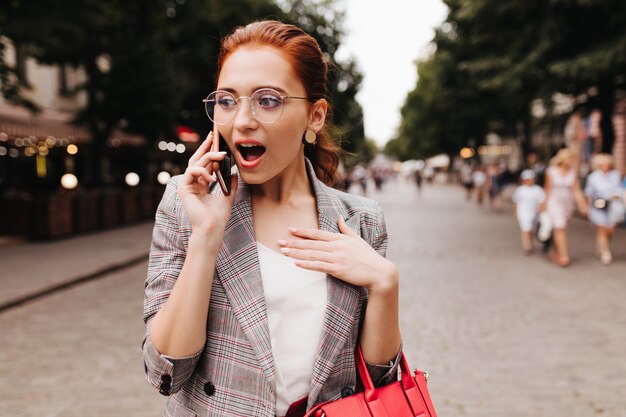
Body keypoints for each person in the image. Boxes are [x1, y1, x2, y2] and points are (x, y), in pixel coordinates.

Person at [142, 21, 402, 417]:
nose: (242, 120)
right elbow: (165, 373)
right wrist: (206, 238)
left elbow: (379, 386)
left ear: (314, 115)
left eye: (267, 100)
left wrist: (385, 286)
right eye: (227, 101)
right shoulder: (186, 203)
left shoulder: (362, 221)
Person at [544, 148, 588, 266]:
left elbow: (576, 190)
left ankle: (555, 249)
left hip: (567, 202)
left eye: (572, 159)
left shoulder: (572, 172)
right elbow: (547, 189)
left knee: (561, 228)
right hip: (554, 201)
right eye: (569, 158)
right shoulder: (551, 171)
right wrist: (543, 204)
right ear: (563, 159)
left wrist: (583, 205)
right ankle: (564, 256)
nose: (571, 161)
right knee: (560, 227)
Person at [584, 153, 624, 265]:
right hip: (599, 204)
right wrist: (587, 207)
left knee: (609, 230)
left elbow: (619, 188)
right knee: (602, 228)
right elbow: (589, 193)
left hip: (612, 204)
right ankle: (605, 252)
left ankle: (602, 245)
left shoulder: (615, 175)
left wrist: (617, 195)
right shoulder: (593, 177)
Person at [512, 169, 545, 255]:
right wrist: (515, 213)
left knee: (531, 230)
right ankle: (527, 246)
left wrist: (540, 212)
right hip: (523, 212)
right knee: (525, 228)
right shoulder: (520, 190)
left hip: (534, 212)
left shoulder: (538, 190)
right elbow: (516, 202)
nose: (529, 181)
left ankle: (530, 242)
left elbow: (542, 201)